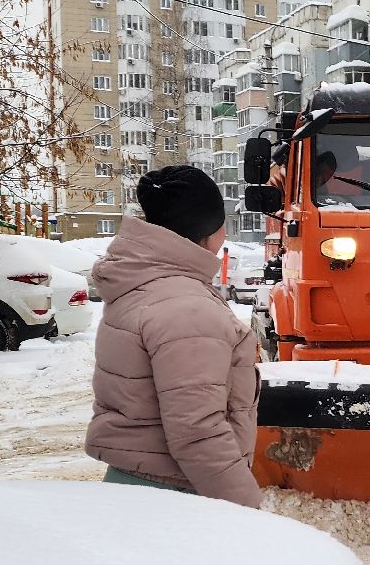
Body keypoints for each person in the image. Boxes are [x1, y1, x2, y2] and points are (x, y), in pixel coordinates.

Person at [85, 165, 262, 507]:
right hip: (174, 495)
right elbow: (198, 432)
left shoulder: (147, 285)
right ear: (211, 230)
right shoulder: (186, 308)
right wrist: (247, 510)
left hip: (137, 484)